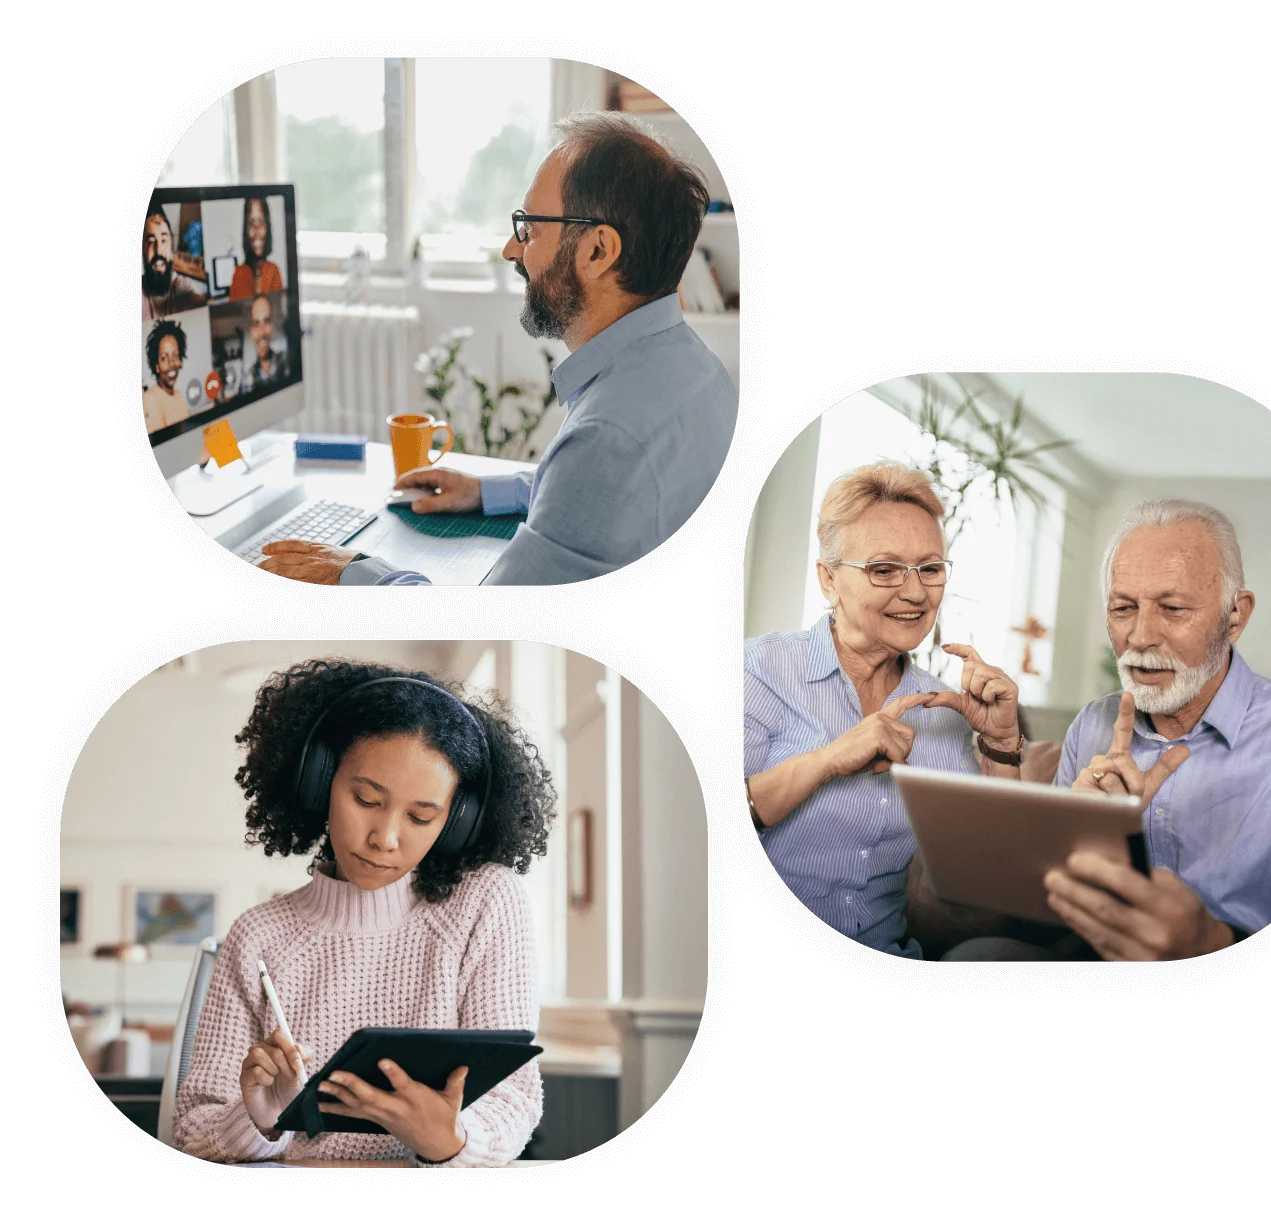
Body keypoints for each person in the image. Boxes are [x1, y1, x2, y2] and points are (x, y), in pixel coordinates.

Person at [257, 112, 738, 588]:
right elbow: (606, 503)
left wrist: (354, 574)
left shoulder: (609, 437)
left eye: (529, 228)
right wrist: (491, 491)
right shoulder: (700, 372)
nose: (512, 249)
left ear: (598, 251)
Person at [171, 660, 555, 1167]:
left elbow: (514, 1101)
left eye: (422, 816)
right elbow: (191, 1128)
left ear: (457, 822)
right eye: (366, 799)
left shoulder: (485, 903)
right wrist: (260, 1119)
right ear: (318, 782)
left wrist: (449, 1140)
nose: (386, 838)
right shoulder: (259, 935)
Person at [944, 500, 1269, 963]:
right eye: (1123, 608)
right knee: (972, 957)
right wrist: (1070, 835)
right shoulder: (1094, 724)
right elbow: (1039, 909)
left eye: (1172, 608)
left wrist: (1212, 945)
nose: (1139, 636)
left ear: (1234, 616)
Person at [743, 463, 1027, 958]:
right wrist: (829, 758)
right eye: (884, 569)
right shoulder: (759, 670)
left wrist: (1002, 747)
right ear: (829, 581)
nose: (916, 592)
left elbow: (990, 880)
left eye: (930, 568)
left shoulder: (942, 710)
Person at [141, 206, 207, 320]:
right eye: (151, 242)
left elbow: (197, 300)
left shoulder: (181, 286)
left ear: (171, 246)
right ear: (142, 248)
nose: (159, 250)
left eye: (164, 240)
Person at [229, 198, 285, 300]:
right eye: (251, 223)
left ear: (267, 227)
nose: (256, 230)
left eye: (261, 222)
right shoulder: (239, 274)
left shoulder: (274, 271)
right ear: (245, 230)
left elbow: (279, 312)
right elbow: (233, 314)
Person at [141, 320, 191, 432]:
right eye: (164, 358)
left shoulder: (179, 395)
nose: (171, 363)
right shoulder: (150, 398)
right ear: (157, 366)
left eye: (175, 355)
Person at [238, 294, 290, 394]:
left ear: (272, 326)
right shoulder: (247, 376)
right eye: (256, 324)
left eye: (266, 321)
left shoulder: (285, 362)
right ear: (251, 331)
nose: (262, 332)